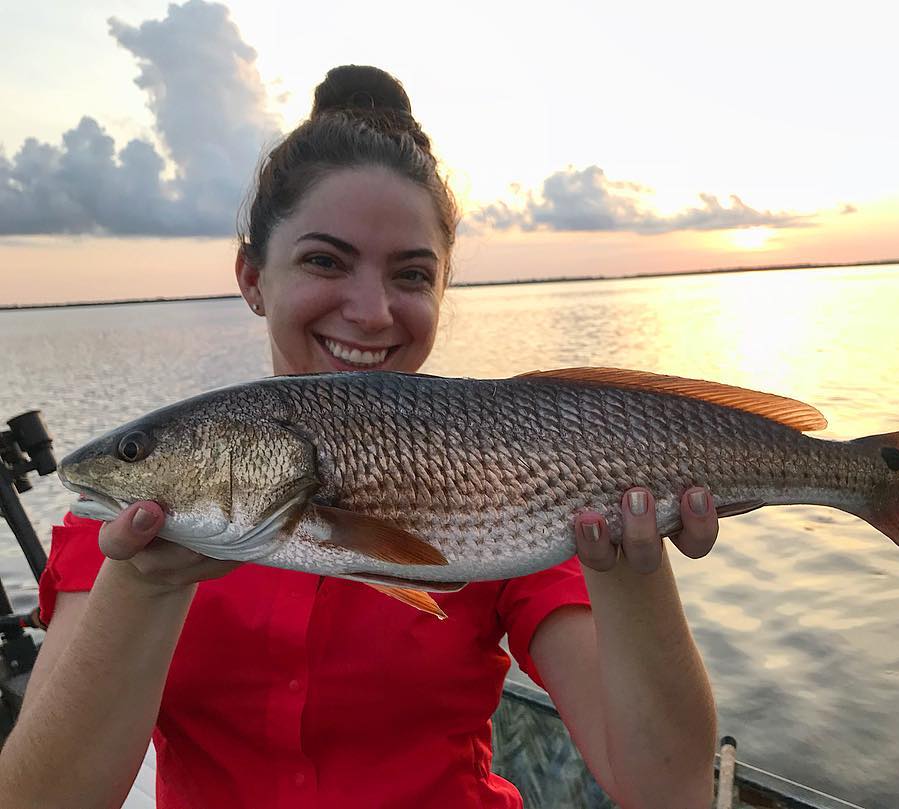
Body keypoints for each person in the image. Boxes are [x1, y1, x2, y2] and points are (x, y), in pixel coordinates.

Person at [0, 66, 718, 809]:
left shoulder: (512, 485)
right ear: (252, 275)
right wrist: (143, 583)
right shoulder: (129, 517)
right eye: (324, 261)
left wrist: (631, 562)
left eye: (411, 274)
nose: (372, 311)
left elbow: (670, 792)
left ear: (441, 292)